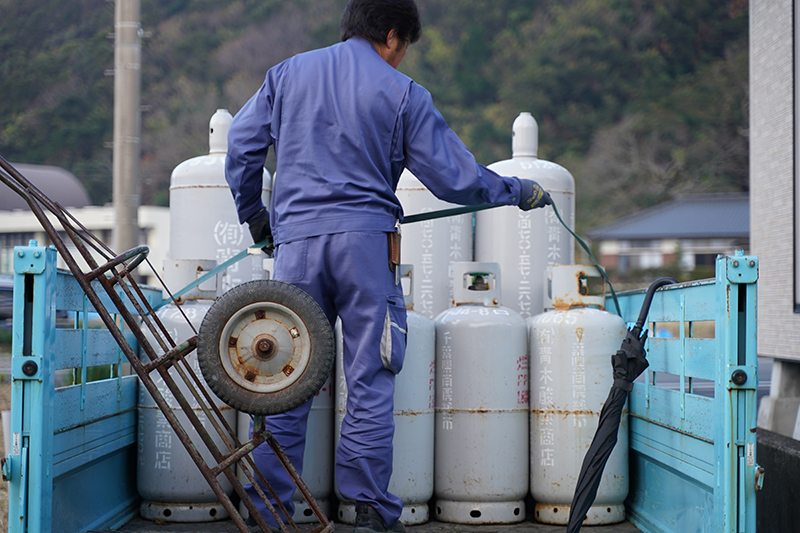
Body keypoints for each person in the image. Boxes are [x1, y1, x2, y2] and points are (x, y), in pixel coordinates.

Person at [224, 1, 551, 532]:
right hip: (366, 250)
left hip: (295, 249)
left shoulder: (285, 75)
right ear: (393, 36)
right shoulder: (403, 93)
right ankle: (371, 511)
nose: (400, 58)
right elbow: (458, 179)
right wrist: (517, 190)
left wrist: (258, 221)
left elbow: (240, 151)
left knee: (282, 376)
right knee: (370, 378)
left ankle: (269, 516)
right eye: (403, 49)